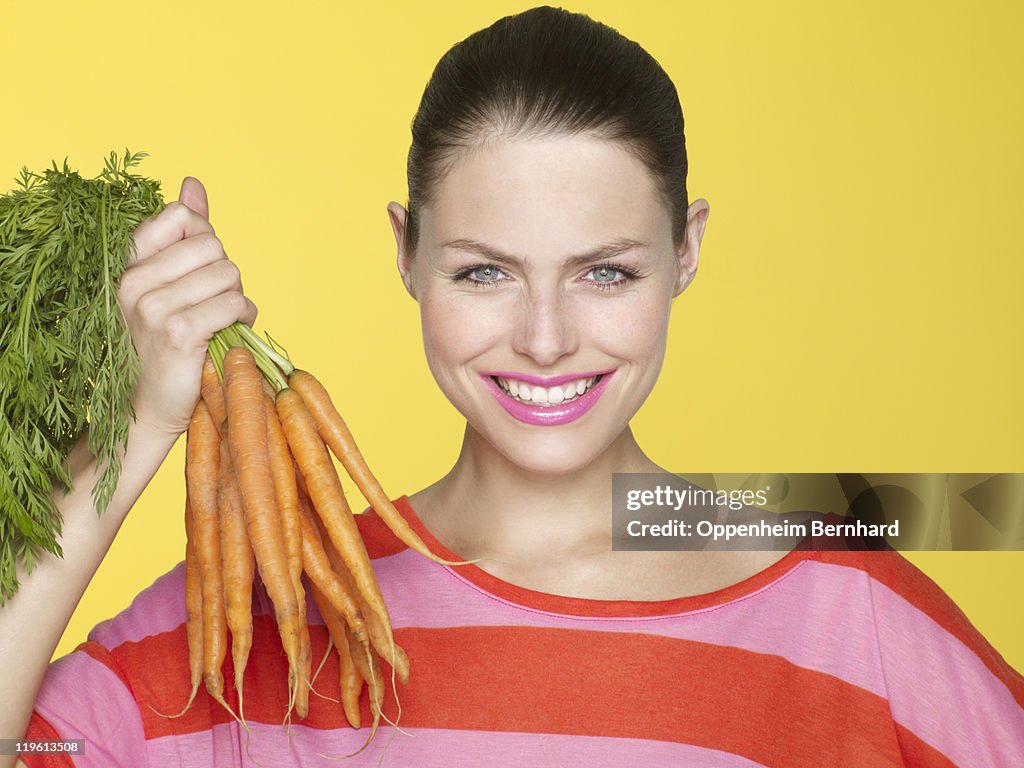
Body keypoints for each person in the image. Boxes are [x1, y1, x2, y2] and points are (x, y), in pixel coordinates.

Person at [5, 6, 1023, 767]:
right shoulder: (266, 622)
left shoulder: (847, 607)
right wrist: (136, 431)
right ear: (406, 254)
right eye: (483, 271)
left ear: (687, 249)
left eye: (606, 272)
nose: (544, 340)